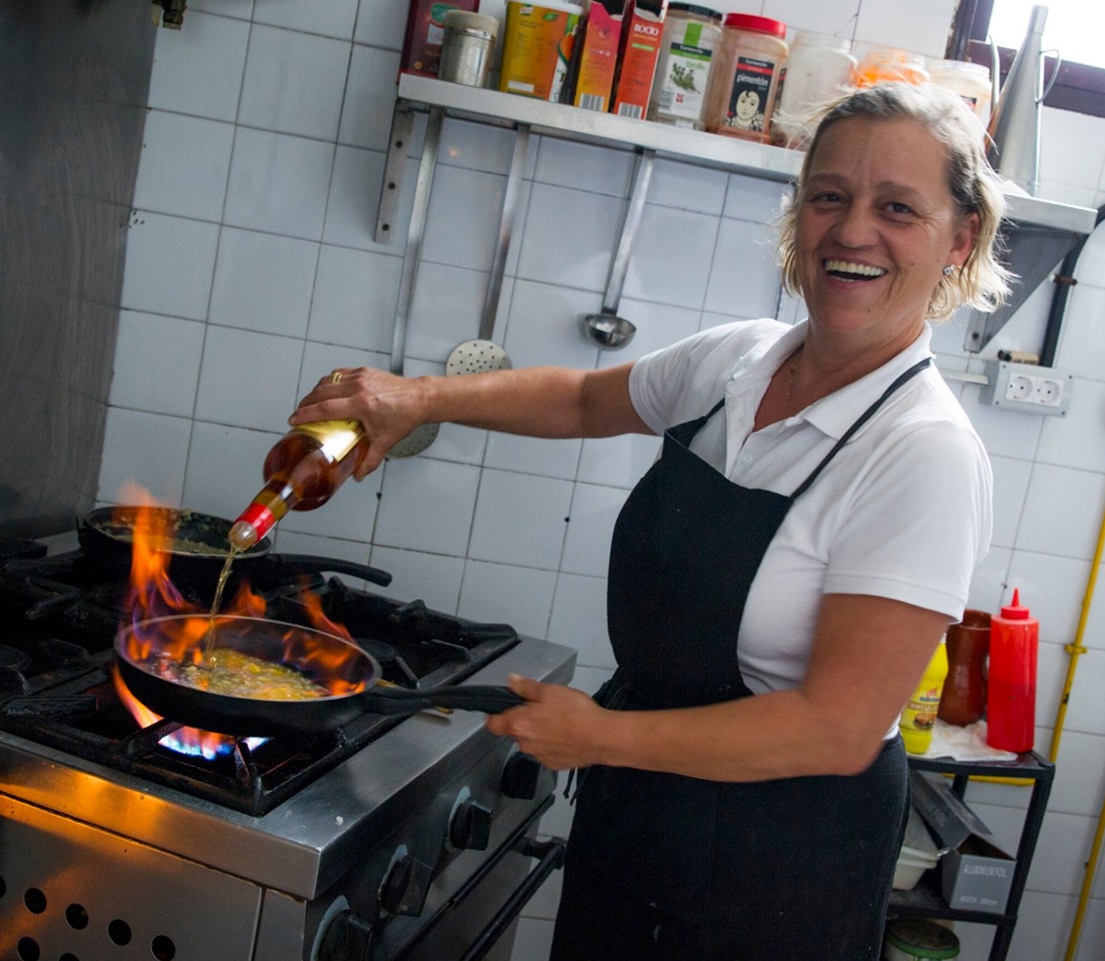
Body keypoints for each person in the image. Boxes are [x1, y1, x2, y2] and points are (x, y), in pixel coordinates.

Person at [290, 82, 1010, 960]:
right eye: (830, 195)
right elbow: (586, 396)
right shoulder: (741, 362)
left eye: (898, 208)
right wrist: (417, 397)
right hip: (640, 818)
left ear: (961, 237)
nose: (853, 231)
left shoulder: (922, 451)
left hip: (774, 875)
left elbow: (837, 723)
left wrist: (599, 734)